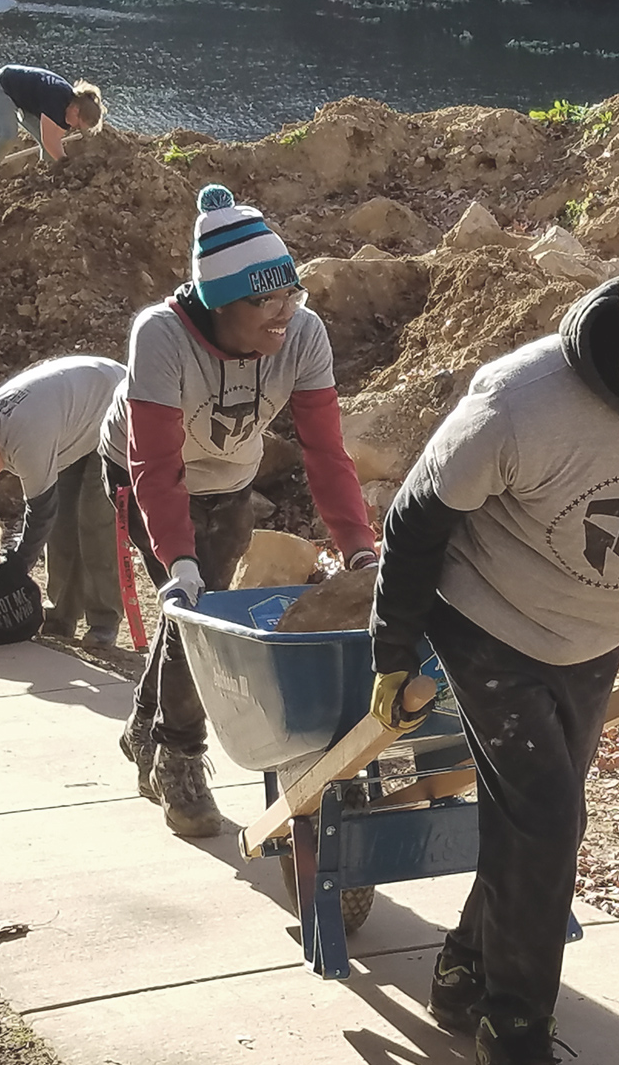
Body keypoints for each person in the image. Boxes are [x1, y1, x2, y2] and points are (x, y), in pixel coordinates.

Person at [369, 201, 619, 1064]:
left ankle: (463, 967)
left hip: (595, 631)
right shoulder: (518, 405)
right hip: (486, 618)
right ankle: (512, 1023)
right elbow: (413, 519)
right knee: (550, 819)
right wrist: (392, 653)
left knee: (530, 824)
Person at [99, 183, 377, 839]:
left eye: (291, 293)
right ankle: (181, 757)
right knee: (190, 603)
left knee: (205, 604)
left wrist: (359, 547)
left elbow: (326, 453)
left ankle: (147, 725)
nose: (285, 312)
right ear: (222, 300)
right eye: (265, 300)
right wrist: (178, 558)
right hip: (141, 470)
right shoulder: (161, 335)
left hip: (228, 477)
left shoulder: (303, 335)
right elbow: (156, 465)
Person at [0, 355, 126, 647]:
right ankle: (60, 619)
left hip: (117, 404)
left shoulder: (24, 438)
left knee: (94, 519)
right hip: (75, 418)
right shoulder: (4, 426)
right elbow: (52, 517)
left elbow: (41, 511)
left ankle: (103, 621)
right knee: (62, 525)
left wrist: (15, 569)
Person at [0, 65, 105, 168]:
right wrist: (66, 164)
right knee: (8, 137)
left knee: (50, 150)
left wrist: (62, 167)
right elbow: (49, 140)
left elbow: (55, 141)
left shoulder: (68, 112)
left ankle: (47, 180)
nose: (75, 128)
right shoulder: (56, 100)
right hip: (2, 86)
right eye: (78, 125)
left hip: (23, 100)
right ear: (76, 111)